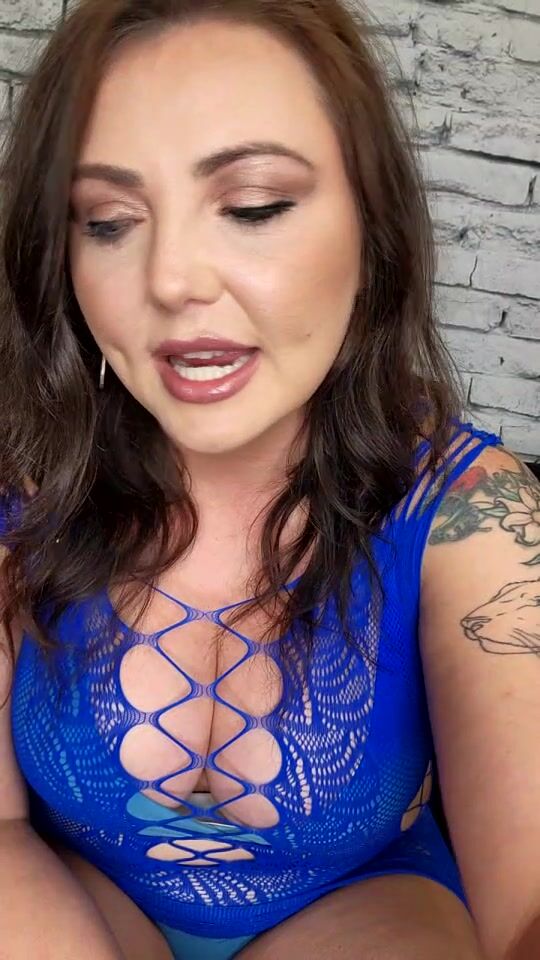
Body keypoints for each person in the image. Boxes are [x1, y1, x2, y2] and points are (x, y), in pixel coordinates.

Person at [0, 1, 539, 958]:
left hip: (367, 911)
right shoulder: (22, 485)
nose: (171, 280)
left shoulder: (471, 518)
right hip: (72, 900)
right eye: (108, 222)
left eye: (253, 207)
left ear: (372, 228)